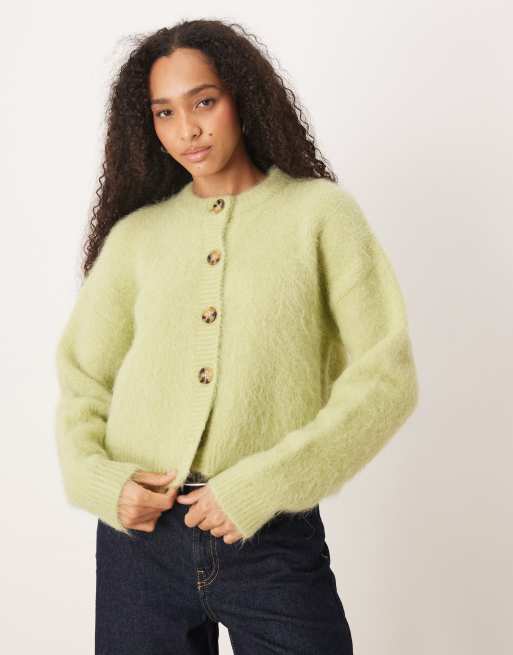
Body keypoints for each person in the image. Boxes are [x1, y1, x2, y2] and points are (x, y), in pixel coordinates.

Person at [54, 18, 419, 655]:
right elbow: (83, 381)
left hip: (270, 539)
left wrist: (264, 485)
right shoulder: (137, 237)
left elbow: (387, 378)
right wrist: (101, 483)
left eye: (203, 102)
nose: (187, 130)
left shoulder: (320, 216)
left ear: (241, 97)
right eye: (165, 112)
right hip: (139, 548)